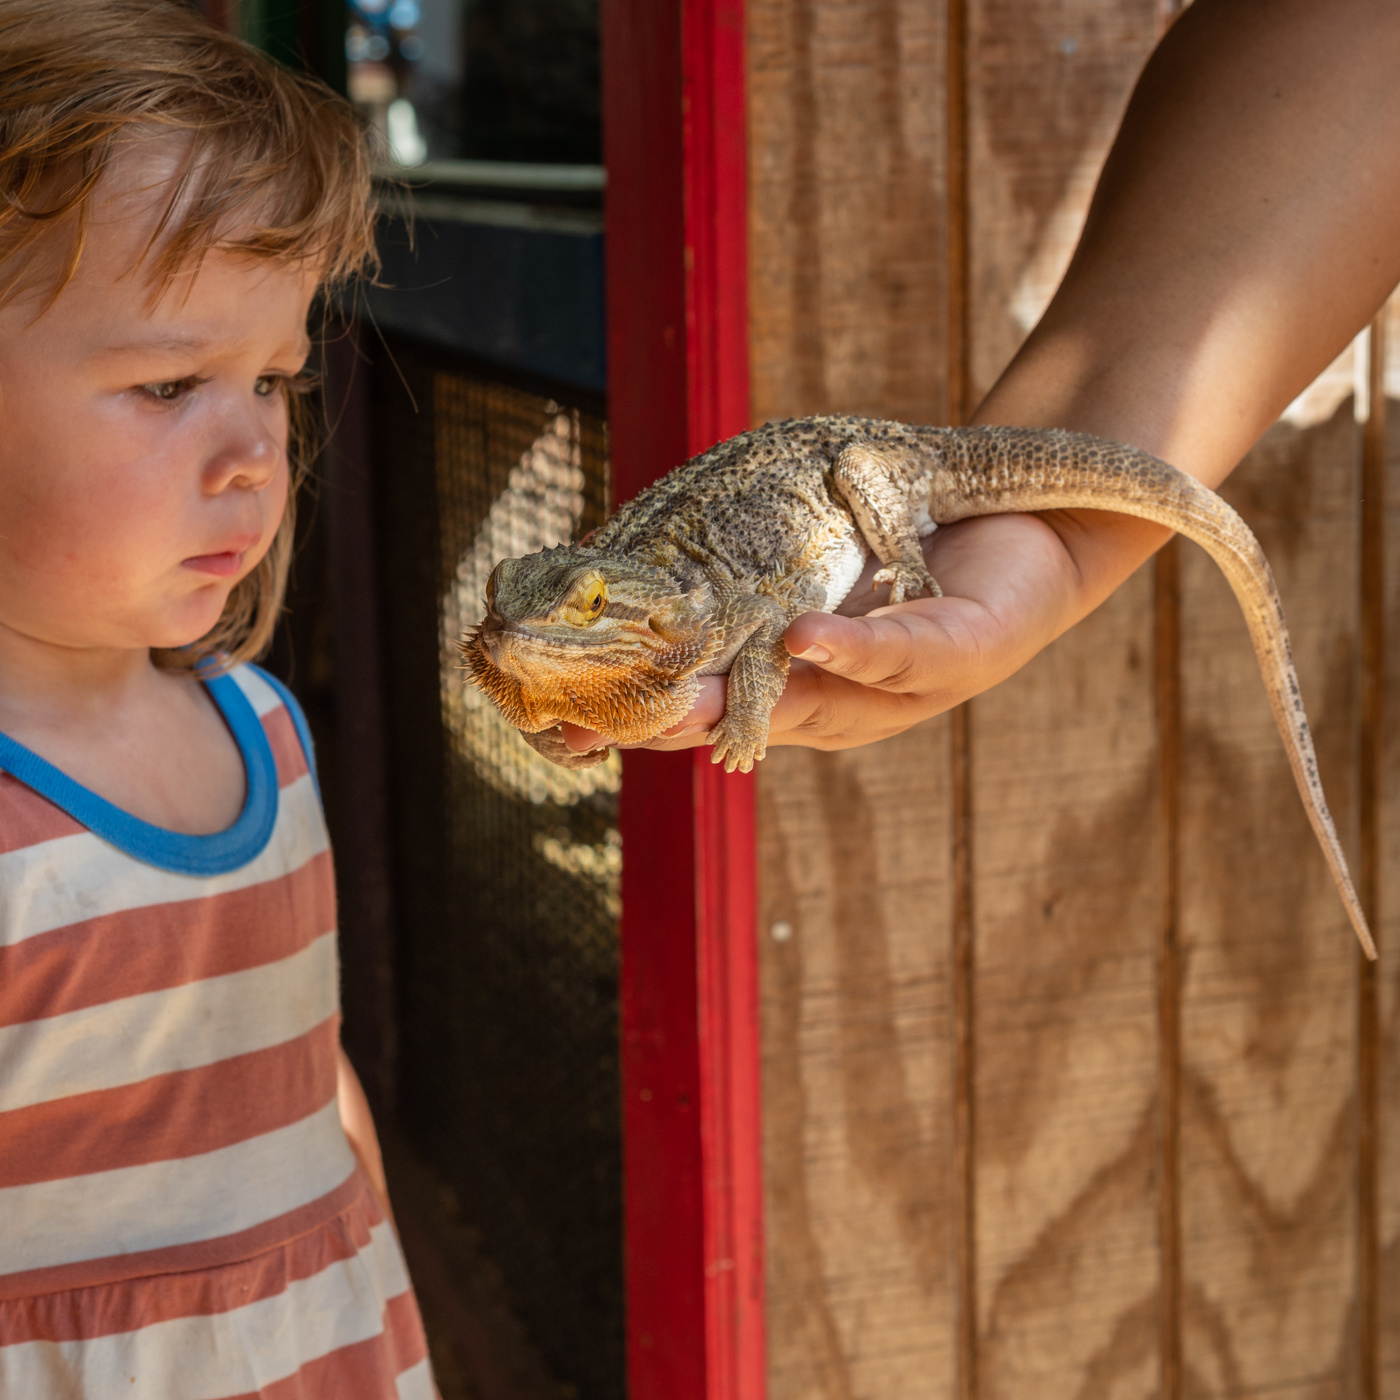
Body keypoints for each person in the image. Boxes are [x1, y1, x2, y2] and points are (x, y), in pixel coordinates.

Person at [564, 0, 1400, 761]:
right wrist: (1059, 547)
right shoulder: (615, 616)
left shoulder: (677, 613)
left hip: (873, 472)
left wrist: (911, 564)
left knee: (861, 475)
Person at [0, 4, 435, 1395]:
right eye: (173, 381)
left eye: (274, 379)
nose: (255, 449)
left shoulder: (268, 737)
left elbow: (312, 1094)